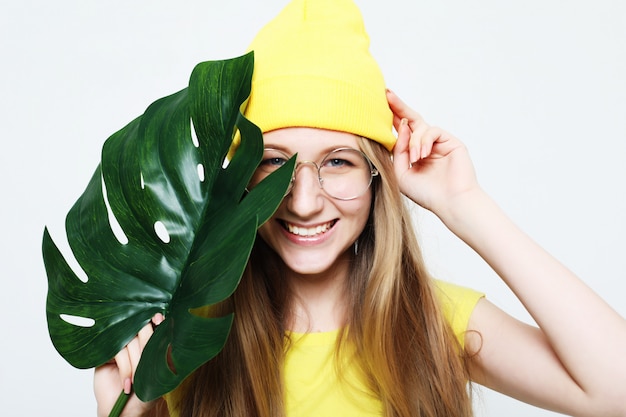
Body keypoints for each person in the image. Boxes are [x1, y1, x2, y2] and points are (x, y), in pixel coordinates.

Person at [94, 0, 626, 416]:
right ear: (241, 176)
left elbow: (616, 391)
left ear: (379, 175)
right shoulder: (181, 340)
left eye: (339, 162)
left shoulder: (431, 321)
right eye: (274, 162)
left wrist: (465, 205)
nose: (303, 202)